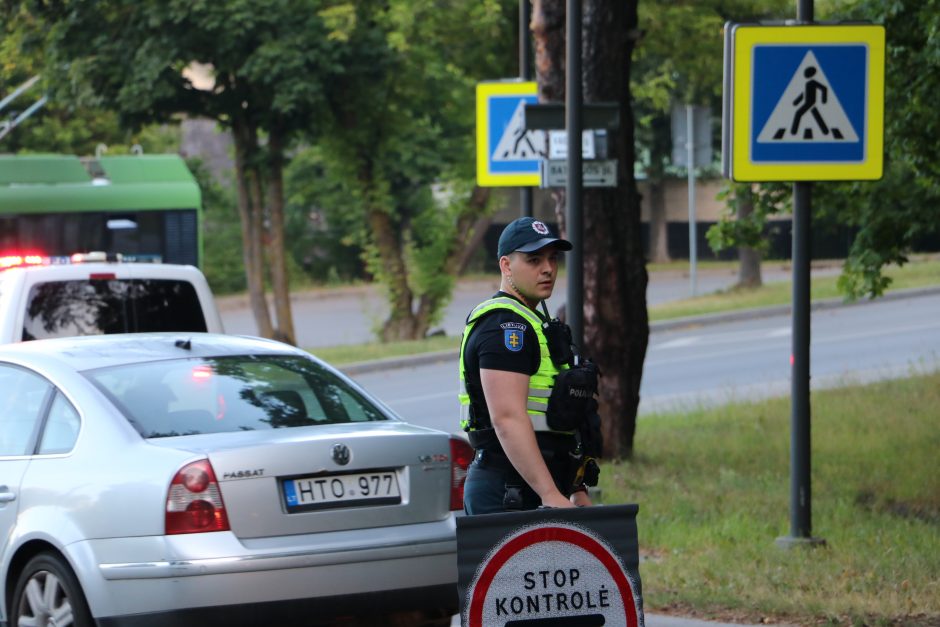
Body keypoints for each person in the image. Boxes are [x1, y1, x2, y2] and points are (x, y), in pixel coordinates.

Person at [458, 217, 598, 515]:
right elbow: (507, 419)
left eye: (552, 258)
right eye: (534, 260)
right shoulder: (506, 328)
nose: (547, 269)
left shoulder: (534, 322)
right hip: (509, 490)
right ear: (506, 266)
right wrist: (549, 494)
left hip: (536, 486)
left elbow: (554, 415)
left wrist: (575, 488)